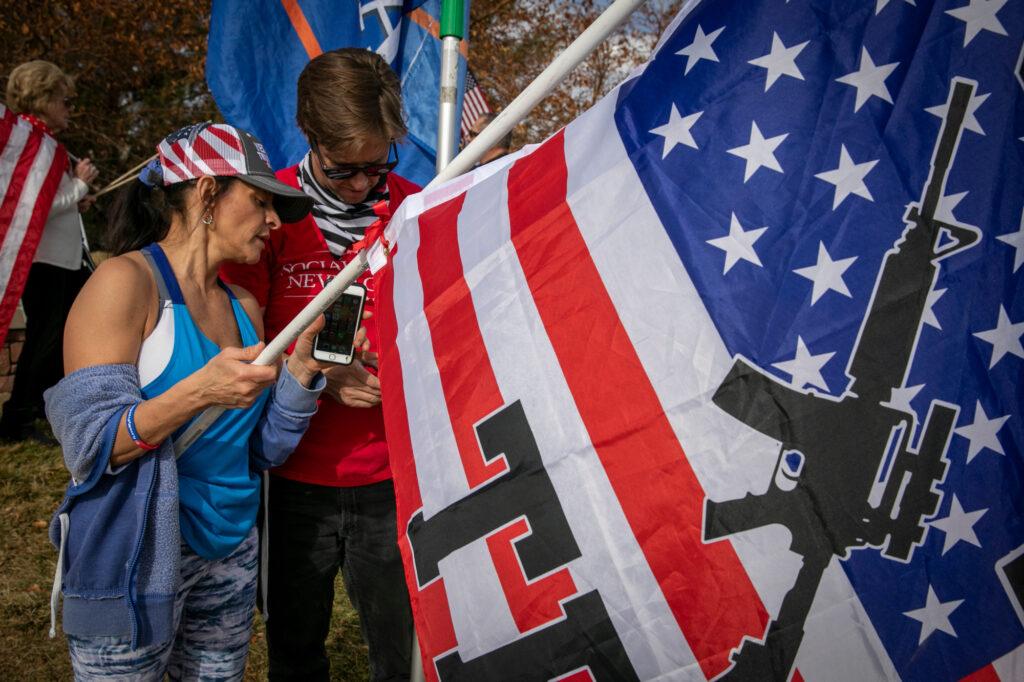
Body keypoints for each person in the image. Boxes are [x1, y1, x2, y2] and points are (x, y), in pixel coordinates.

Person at [44, 121, 341, 679]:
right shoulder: (124, 283)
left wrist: (300, 373)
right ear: (207, 191)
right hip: (136, 555)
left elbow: (259, 451)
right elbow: (90, 445)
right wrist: (199, 390)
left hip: (230, 557)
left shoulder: (245, 308)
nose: (274, 221)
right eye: (260, 201)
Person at [220, 48, 419, 681]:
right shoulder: (263, 218)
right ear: (309, 134)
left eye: (376, 163)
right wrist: (321, 374)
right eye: (343, 170)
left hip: (393, 475)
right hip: (294, 478)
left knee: (403, 644)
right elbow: (233, 346)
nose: (363, 184)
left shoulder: (417, 208)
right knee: (295, 643)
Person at [0, 60, 98, 443]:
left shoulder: (42, 144)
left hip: (63, 258)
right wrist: (79, 186)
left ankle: (46, 408)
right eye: (64, 100)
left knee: (61, 336)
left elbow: (52, 201)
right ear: (43, 101)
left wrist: (77, 197)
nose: (69, 108)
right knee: (45, 339)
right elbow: (31, 206)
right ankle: (18, 418)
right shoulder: (33, 144)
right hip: (46, 262)